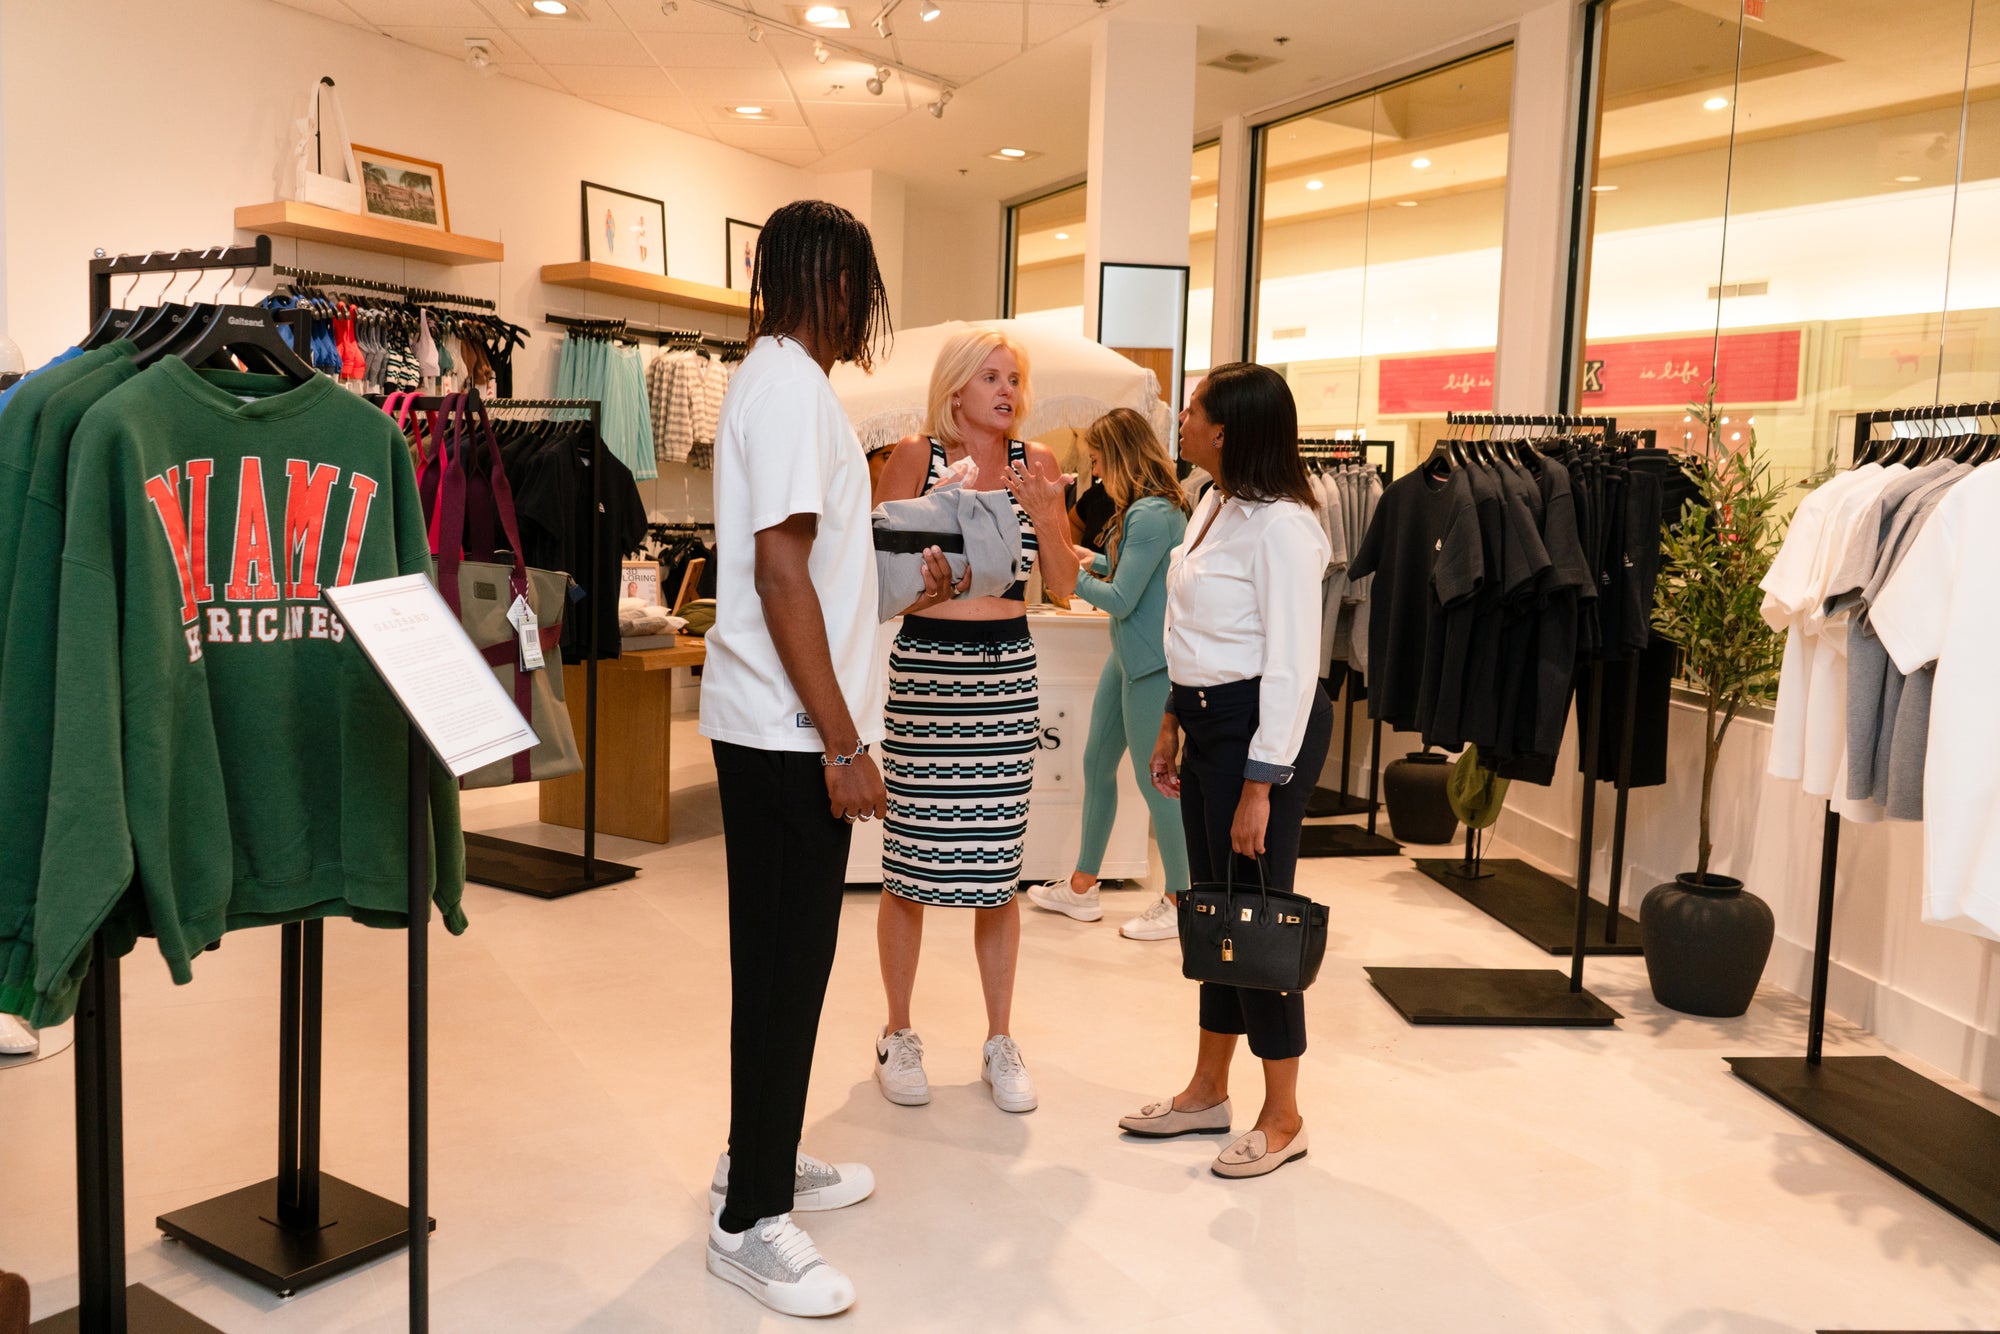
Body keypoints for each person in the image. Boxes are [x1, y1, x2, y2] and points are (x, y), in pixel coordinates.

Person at [700, 199, 965, 1318]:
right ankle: (749, 1224)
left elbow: (816, 573)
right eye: (862, 288)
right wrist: (844, 741)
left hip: (783, 725)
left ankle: (755, 1158)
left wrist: (903, 586)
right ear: (837, 283)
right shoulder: (787, 390)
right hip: (787, 735)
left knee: (785, 969)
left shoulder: (785, 385)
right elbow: (777, 575)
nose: (865, 312)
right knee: (781, 972)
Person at [1119, 362, 1333, 1180]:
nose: (1181, 419)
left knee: (1261, 918)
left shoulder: (1284, 526)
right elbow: (1196, 628)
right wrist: (1174, 717)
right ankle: (1208, 1090)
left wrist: (1259, 785)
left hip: (1261, 731)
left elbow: (1293, 665)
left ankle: (1284, 1116)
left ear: (1228, 429)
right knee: (1213, 911)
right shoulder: (1213, 502)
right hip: (1209, 720)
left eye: (1194, 409)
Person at [870, 327, 1079, 1114]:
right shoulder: (913, 457)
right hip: (929, 674)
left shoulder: (1040, 464)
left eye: (1014, 378)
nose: (1006, 390)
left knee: (997, 873)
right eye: (990, 377)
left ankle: (1000, 1039)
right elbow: (877, 577)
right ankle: (898, 1032)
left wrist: (1047, 518)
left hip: (1005, 675)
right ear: (955, 387)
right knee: (910, 864)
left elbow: (1063, 586)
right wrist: (928, 582)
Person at [1025, 408, 1193, 940]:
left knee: (1155, 781)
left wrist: (1069, 571)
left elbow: (1121, 599)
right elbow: (1135, 579)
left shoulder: (1151, 513)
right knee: (1096, 763)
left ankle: (1180, 899)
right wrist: (1093, 560)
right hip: (1128, 658)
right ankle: (1082, 886)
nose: (1095, 473)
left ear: (1119, 455)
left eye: (1097, 461)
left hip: (1150, 666)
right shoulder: (1148, 509)